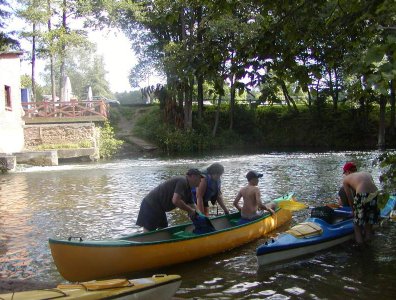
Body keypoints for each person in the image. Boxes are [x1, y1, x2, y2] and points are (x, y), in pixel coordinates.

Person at [136, 168, 203, 232]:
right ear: (193, 176)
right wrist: (190, 210)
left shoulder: (188, 189)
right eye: (199, 178)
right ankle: (146, 243)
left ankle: (163, 243)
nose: (200, 181)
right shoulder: (183, 181)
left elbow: (193, 205)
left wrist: (202, 217)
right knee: (149, 230)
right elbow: (176, 201)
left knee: (163, 228)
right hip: (151, 204)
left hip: (160, 208)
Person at [342, 162, 379, 244]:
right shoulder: (366, 173)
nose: (345, 175)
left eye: (345, 173)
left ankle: (360, 246)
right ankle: (368, 240)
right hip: (375, 194)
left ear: (347, 171)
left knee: (357, 225)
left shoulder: (346, 179)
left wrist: (353, 211)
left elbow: (350, 197)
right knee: (369, 221)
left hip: (362, 194)